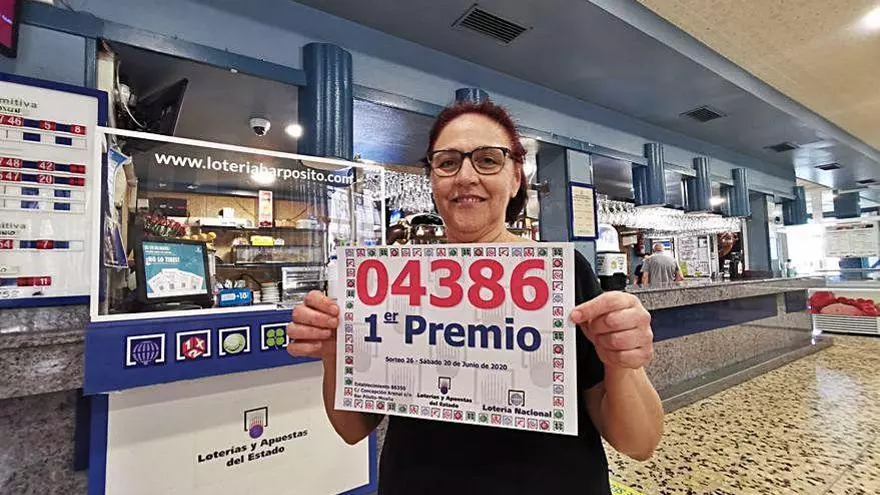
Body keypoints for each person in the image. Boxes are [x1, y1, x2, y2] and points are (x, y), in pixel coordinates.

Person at [287, 101, 663, 494]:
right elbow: (352, 429)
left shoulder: (563, 276)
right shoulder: (391, 282)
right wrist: (335, 355)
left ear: (515, 178)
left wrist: (622, 363)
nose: (466, 176)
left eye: (487, 160)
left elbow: (639, 443)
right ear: (433, 181)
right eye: (448, 163)